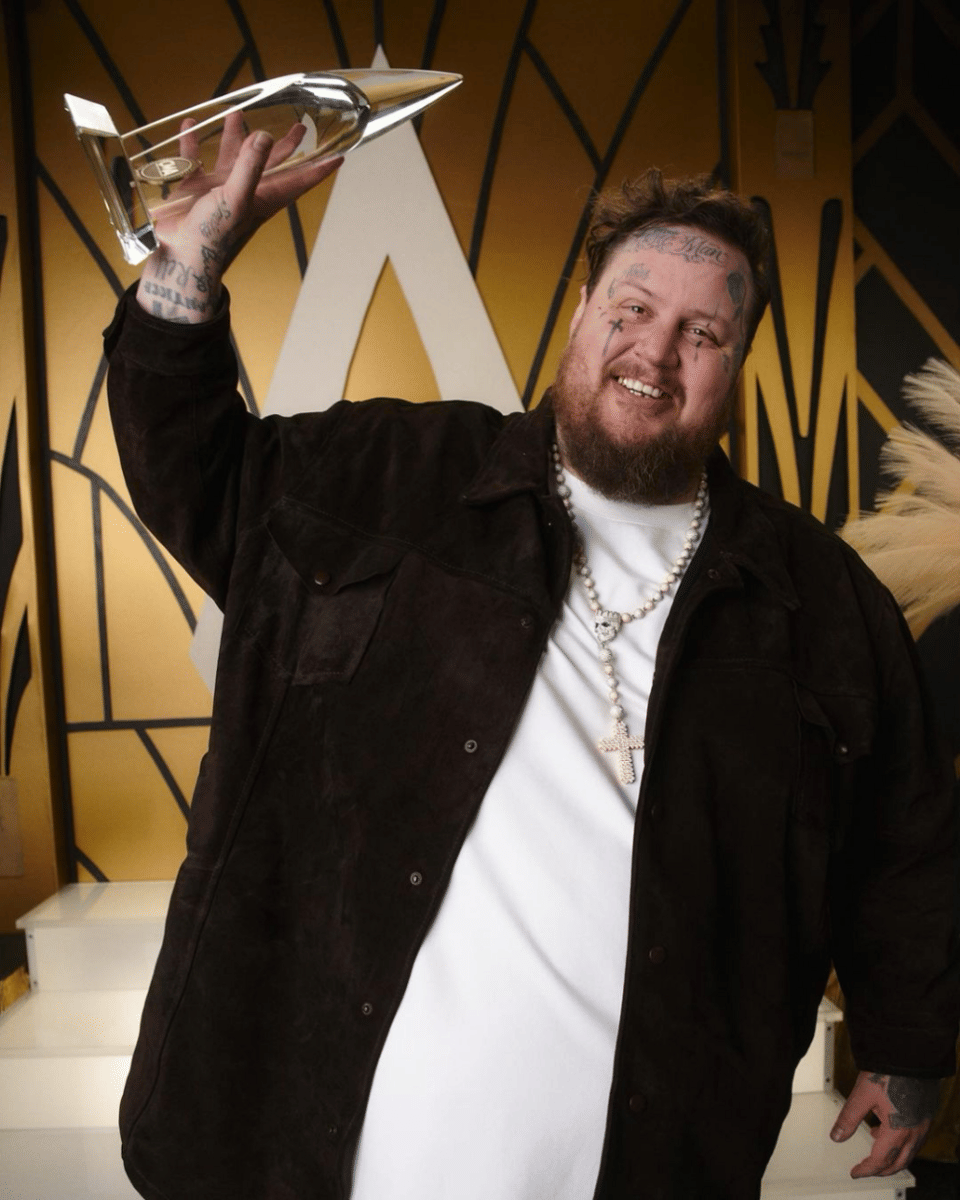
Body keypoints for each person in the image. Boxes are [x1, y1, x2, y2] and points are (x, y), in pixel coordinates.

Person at [104, 119, 958, 1200]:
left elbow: (905, 834)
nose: (655, 352)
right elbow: (191, 462)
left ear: (737, 363)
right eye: (632, 309)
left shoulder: (821, 600)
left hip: (652, 1161)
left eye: (701, 332)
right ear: (583, 313)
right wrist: (188, 267)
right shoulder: (389, 476)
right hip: (308, 1148)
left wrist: (907, 1041)